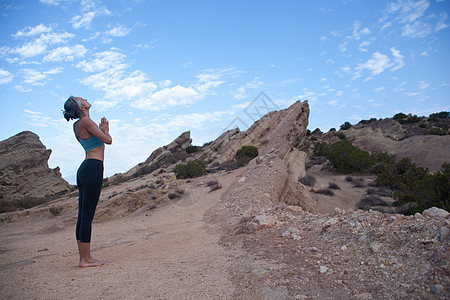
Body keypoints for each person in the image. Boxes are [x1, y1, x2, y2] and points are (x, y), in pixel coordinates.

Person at [62, 96, 112, 267]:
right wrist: (105, 130)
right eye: (81, 99)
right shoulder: (85, 121)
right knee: (87, 216)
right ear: (81, 108)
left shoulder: (77, 125)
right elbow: (108, 140)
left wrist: (101, 130)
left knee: (83, 216)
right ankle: (85, 259)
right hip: (93, 168)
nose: (85, 98)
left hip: (85, 168)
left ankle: (84, 257)